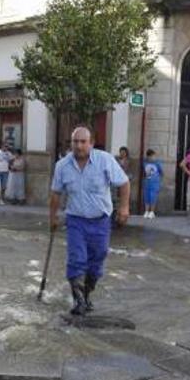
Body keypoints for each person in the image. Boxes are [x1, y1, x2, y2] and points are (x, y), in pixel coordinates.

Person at [50, 127, 130, 315]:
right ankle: (78, 301)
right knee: (77, 259)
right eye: (75, 141)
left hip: (100, 221)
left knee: (97, 259)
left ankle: (86, 293)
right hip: (76, 220)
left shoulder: (105, 160)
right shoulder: (62, 165)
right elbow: (55, 193)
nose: (78, 145)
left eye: (83, 142)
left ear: (91, 143)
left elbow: (124, 183)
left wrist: (124, 208)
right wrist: (53, 217)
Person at [142, 149, 163, 219]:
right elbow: (144, 172)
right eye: (152, 156)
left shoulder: (157, 163)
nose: (154, 157)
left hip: (155, 183)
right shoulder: (145, 163)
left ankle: (152, 212)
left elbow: (161, 172)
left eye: (154, 156)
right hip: (147, 182)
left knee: (153, 197)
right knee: (146, 197)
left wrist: (159, 181)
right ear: (148, 156)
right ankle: (146, 211)